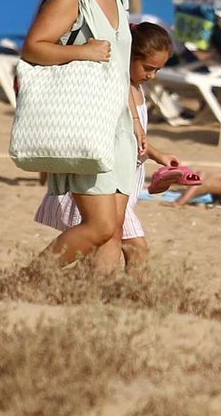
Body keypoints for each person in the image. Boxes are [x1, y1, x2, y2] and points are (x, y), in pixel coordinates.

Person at [22, 0, 137, 273]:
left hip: (120, 127)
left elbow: (122, 72)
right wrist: (81, 51)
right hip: (88, 126)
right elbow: (33, 46)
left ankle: (95, 303)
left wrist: (136, 123)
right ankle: (27, 280)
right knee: (99, 226)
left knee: (114, 231)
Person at [34, 22, 190, 270]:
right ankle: (110, 292)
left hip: (125, 180)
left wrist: (157, 155)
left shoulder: (137, 89)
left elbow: (131, 139)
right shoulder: (117, 89)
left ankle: (89, 289)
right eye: (148, 68)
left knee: (112, 244)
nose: (152, 76)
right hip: (109, 181)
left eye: (158, 70)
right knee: (126, 243)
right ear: (127, 55)